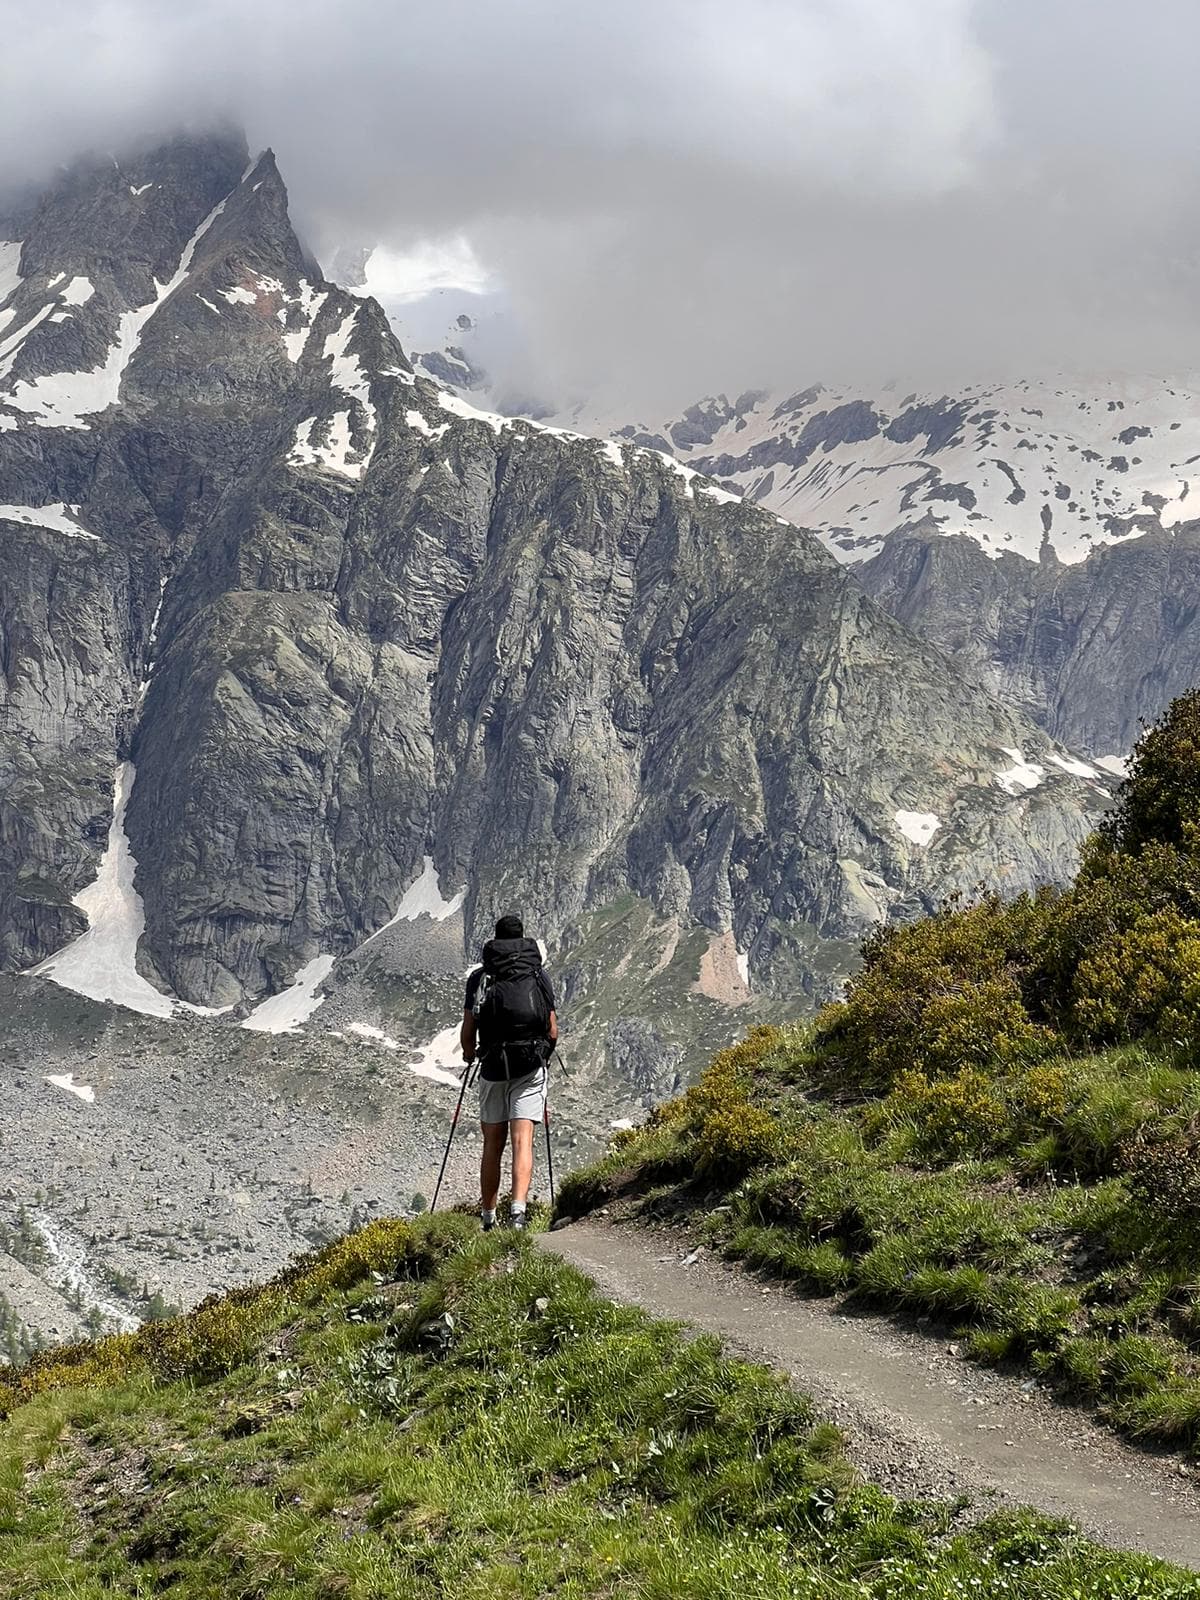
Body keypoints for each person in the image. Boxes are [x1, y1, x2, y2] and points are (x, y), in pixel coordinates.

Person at [461, 913, 557, 1231]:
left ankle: (488, 1218)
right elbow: (552, 1030)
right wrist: (543, 1056)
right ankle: (518, 1214)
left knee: (492, 1144)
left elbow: (468, 1030)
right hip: (529, 1065)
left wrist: (469, 1055)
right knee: (522, 1140)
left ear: (496, 939)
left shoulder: (481, 977)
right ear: (522, 938)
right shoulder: (538, 974)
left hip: (492, 1066)